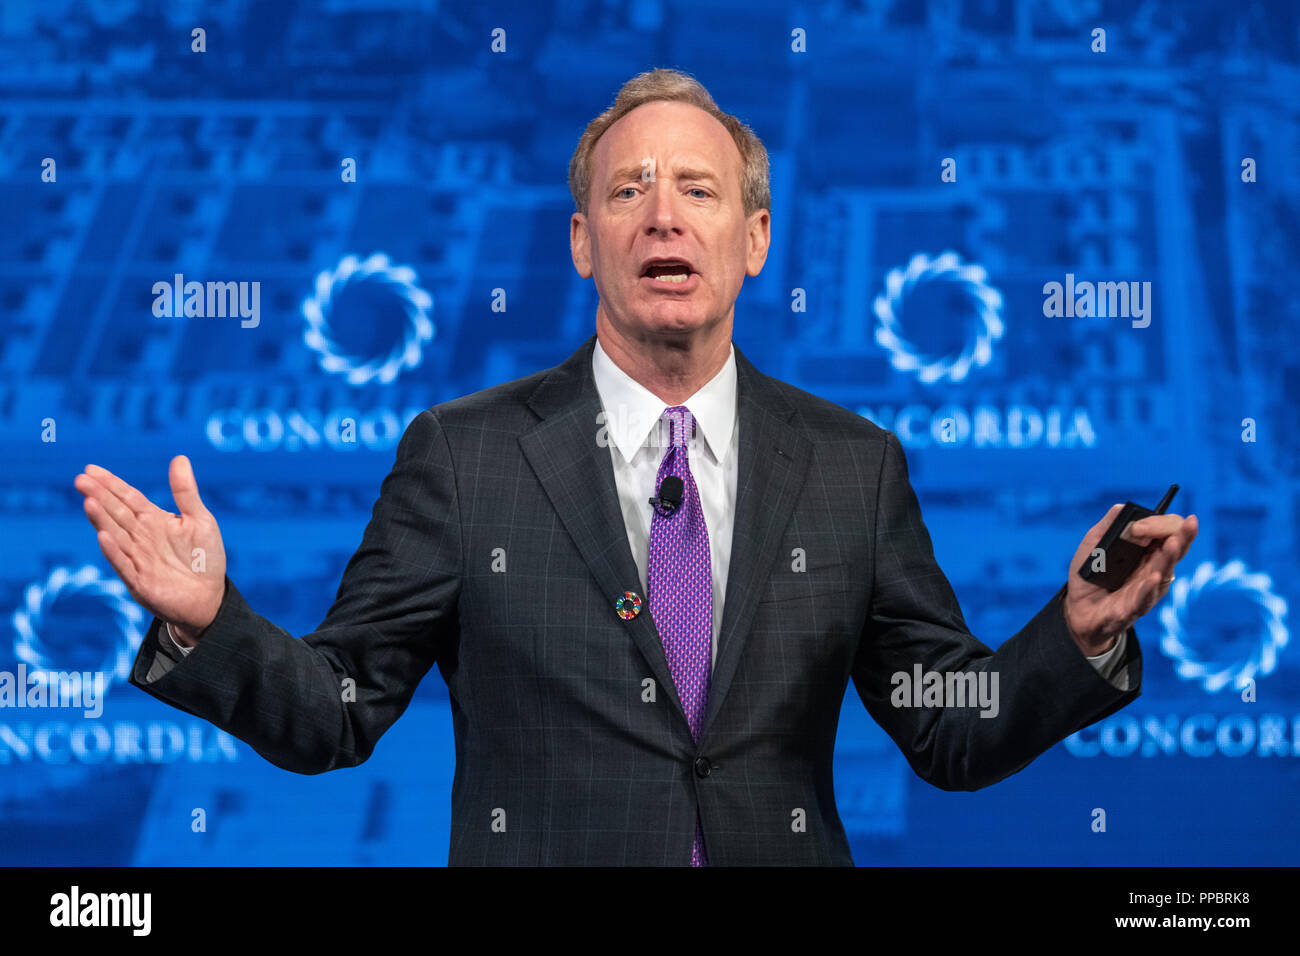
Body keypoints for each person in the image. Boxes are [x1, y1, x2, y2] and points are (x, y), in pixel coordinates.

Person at [74, 68, 1197, 866]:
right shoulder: (464, 458)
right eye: (629, 190)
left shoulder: (854, 467)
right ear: (580, 241)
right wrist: (209, 621)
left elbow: (949, 724)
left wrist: (1080, 630)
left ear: (755, 239)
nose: (664, 213)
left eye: (699, 190)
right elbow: (339, 711)